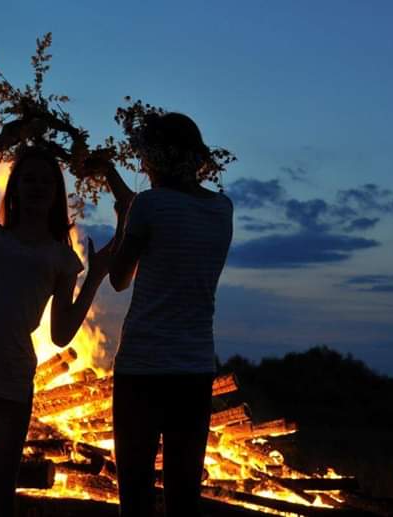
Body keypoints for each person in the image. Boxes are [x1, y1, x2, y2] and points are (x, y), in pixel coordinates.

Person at [0, 119, 111, 517]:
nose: (37, 187)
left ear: (56, 193)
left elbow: (61, 335)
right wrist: (4, 140)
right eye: (28, 180)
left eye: (46, 181)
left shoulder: (63, 259)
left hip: (10, 381)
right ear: (16, 188)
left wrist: (94, 277)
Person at [107, 112, 234, 517]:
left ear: (156, 158)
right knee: (183, 493)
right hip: (194, 368)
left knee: (136, 490)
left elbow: (118, 278)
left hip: (141, 367)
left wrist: (122, 221)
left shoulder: (148, 205)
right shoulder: (222, 209)